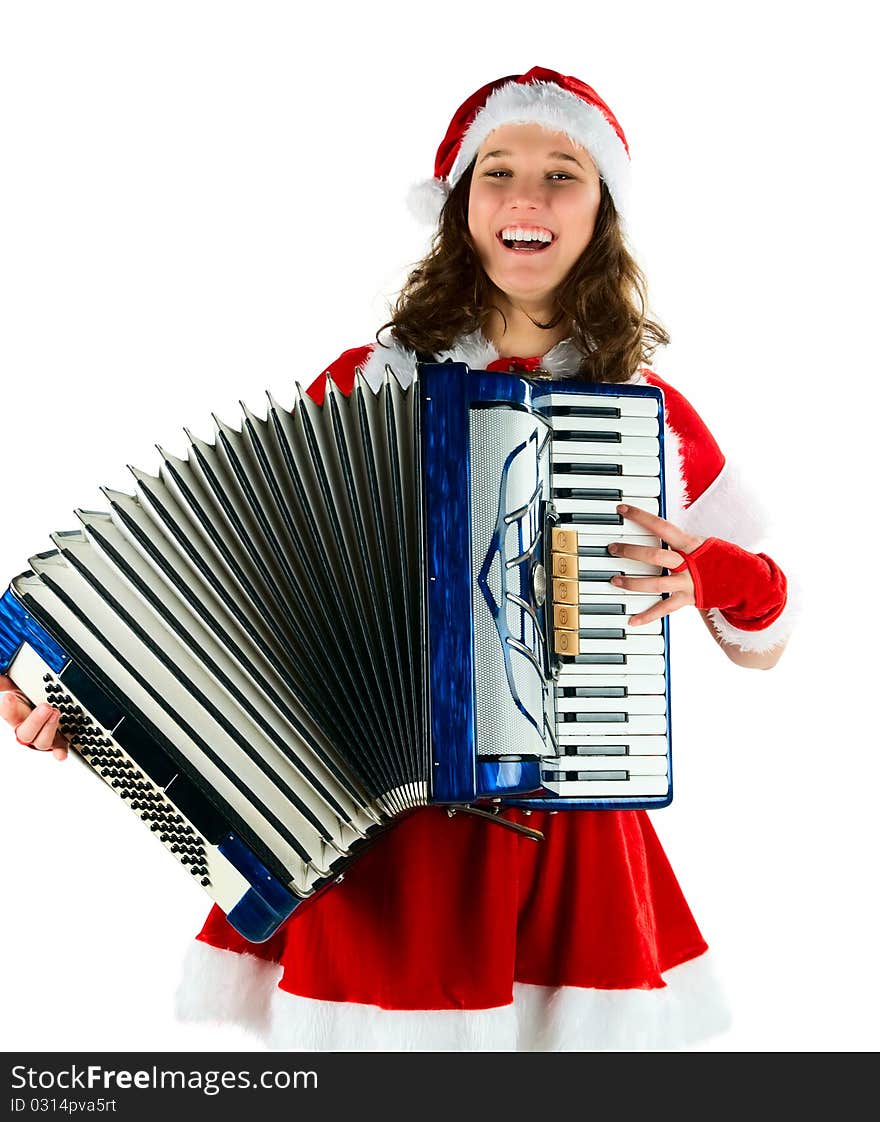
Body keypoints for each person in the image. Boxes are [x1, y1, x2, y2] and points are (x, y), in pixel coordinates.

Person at [1, 66, 796, 1051]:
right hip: (379, 844)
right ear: (462, 206)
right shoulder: (361, 386)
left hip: (569, 836)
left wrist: (728, 576)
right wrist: (92, 710)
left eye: (564, 174)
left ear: (605, 212)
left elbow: (763, 635)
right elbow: (236, 610)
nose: (526, 197)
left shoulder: (644, 414)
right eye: (497, 171)